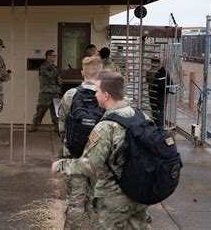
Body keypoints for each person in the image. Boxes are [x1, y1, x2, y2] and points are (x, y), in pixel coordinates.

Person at [52, 72, 152, 229]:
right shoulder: (143, 117)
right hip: (139, 194)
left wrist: (62, 165)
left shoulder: (105, 127)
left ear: (106, 95)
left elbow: (90, 165)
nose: (95, 94)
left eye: (97, 91)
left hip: (112, 201)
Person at [57, 56, 103, 229]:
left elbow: (62, 124)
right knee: (96, 201)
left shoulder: (71, 94)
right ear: (101, 73)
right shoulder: (106, 95)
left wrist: (68, 144)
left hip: (74, 154)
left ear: (83, 73)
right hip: (98, 157)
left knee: (75, 201)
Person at [28, 49, 61, 132]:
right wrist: (58, 73)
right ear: (48, 56)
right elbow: (50, 76)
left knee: (55, 110)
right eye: (53, 56)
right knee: (41, 109)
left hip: (54, 91)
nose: (55, 57)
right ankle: (35, 125)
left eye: (55, 56)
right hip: (46, 92)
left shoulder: (54, 66)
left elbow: (58, 79)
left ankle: (56, 126)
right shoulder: (44, 66)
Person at [146, 57, 172, 127]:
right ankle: (161, 125)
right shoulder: (166, 70)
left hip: (153, 93)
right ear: (159, 62)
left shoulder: (150, 71)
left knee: (154, 108)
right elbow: (170, 80)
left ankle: (157, 124)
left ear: (152, 62)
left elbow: (147, 81)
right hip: (163, 93)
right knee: (162, 109)